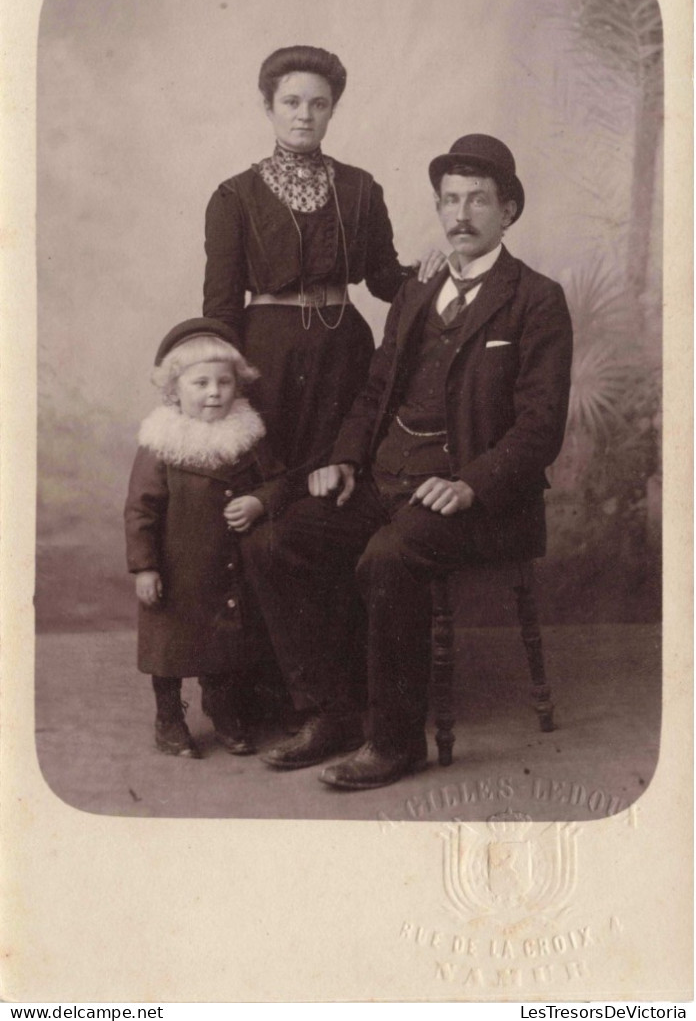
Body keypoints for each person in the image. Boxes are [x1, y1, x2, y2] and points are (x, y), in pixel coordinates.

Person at [242, 134, 574, 790]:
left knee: (387, 557)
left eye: (478, 199)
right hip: (389, 479)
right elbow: (373, 390)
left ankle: (395, 745)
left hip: (484, 502)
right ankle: (332, 712)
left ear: (508, 211)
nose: (461, 214)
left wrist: (471, 485)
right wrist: (342, 459)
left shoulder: (536, 299)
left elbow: (540, 428)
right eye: (450, 199)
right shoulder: (417, 293)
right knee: (272, 541)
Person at [202, 44, 443, 480]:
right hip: (267, 357)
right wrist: (226, 381)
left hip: (343, 353)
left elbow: (385, 280)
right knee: (269, 483)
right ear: (268, 107)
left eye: (319, 104)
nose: (304, 116)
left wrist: (428, 272)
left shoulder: (361, 189)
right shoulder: (233, 197)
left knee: (342, 481)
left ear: (332, 110)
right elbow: (220, 307)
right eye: (291, 103)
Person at [124, 318, 287, 759]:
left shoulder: (248, 437)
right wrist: (145, 567)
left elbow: (278, 483)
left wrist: (257, 502)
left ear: (238, 385)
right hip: (178, 570)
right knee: (170, 649)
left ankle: (225, 710)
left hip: (227, 566)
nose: (214, 392)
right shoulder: (162, 444)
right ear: (174, 390)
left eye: (224, 382)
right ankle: (169, 718)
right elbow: (141, 510)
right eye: (200, 383)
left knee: (227, 644)